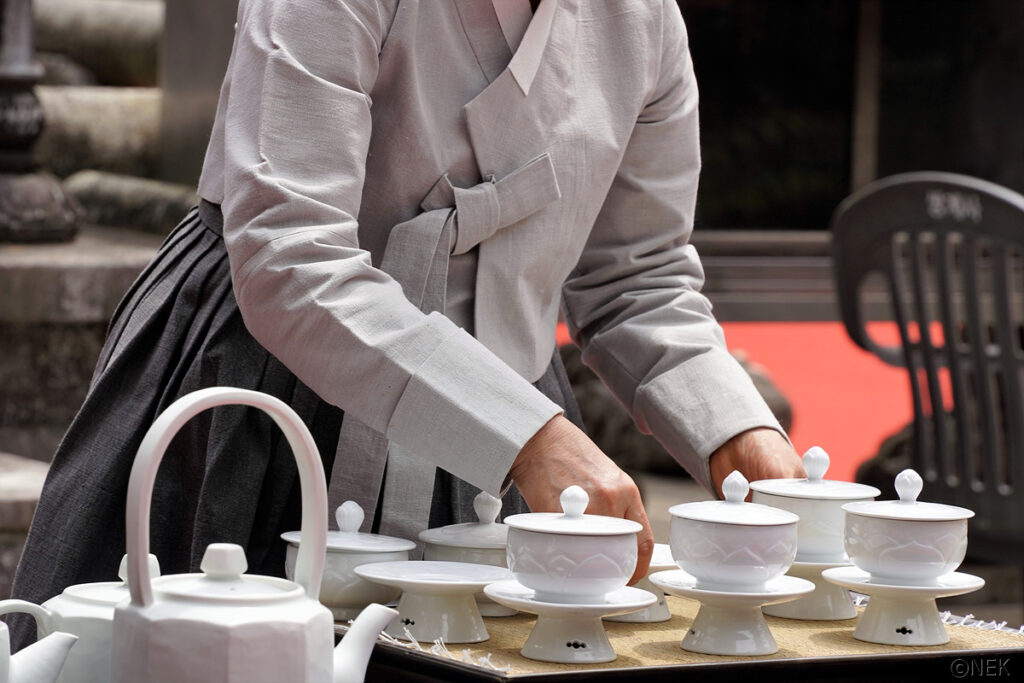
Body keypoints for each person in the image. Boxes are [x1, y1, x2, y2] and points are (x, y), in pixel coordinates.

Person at [9, 0, 802, 648]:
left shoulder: (644, 19)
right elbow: (289, 254)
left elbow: (639, 275)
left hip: (513, 448)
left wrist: (737, 437)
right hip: (266, 399)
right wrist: (527, 437)